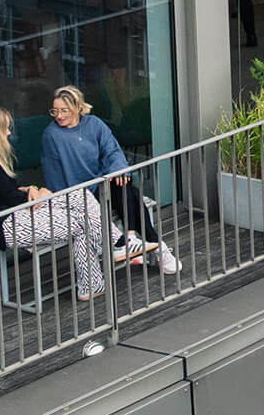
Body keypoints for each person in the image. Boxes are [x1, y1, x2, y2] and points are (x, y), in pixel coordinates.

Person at [0, 104, 113, 301]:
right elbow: (13, 198)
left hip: (12, 219)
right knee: (81, 219)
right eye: (5, 128)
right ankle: (111, 249)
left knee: (79, 199)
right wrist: (37, 194)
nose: (8, 133)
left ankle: (101, 268)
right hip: (5, 226)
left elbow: (10, 190)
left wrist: (31, 191)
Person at [41, 85, 177, 274]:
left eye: (64, 110)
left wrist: (119, 170)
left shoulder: (94, 124)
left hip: (100, 184)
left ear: (78, 108)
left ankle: (131, 239)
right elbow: (53, 174)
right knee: (132, 194)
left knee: (123, 181)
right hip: (80, 196)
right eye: (55, 111)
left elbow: (112, 151)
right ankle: (156, 246)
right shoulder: (52, 135)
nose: (59, 115)